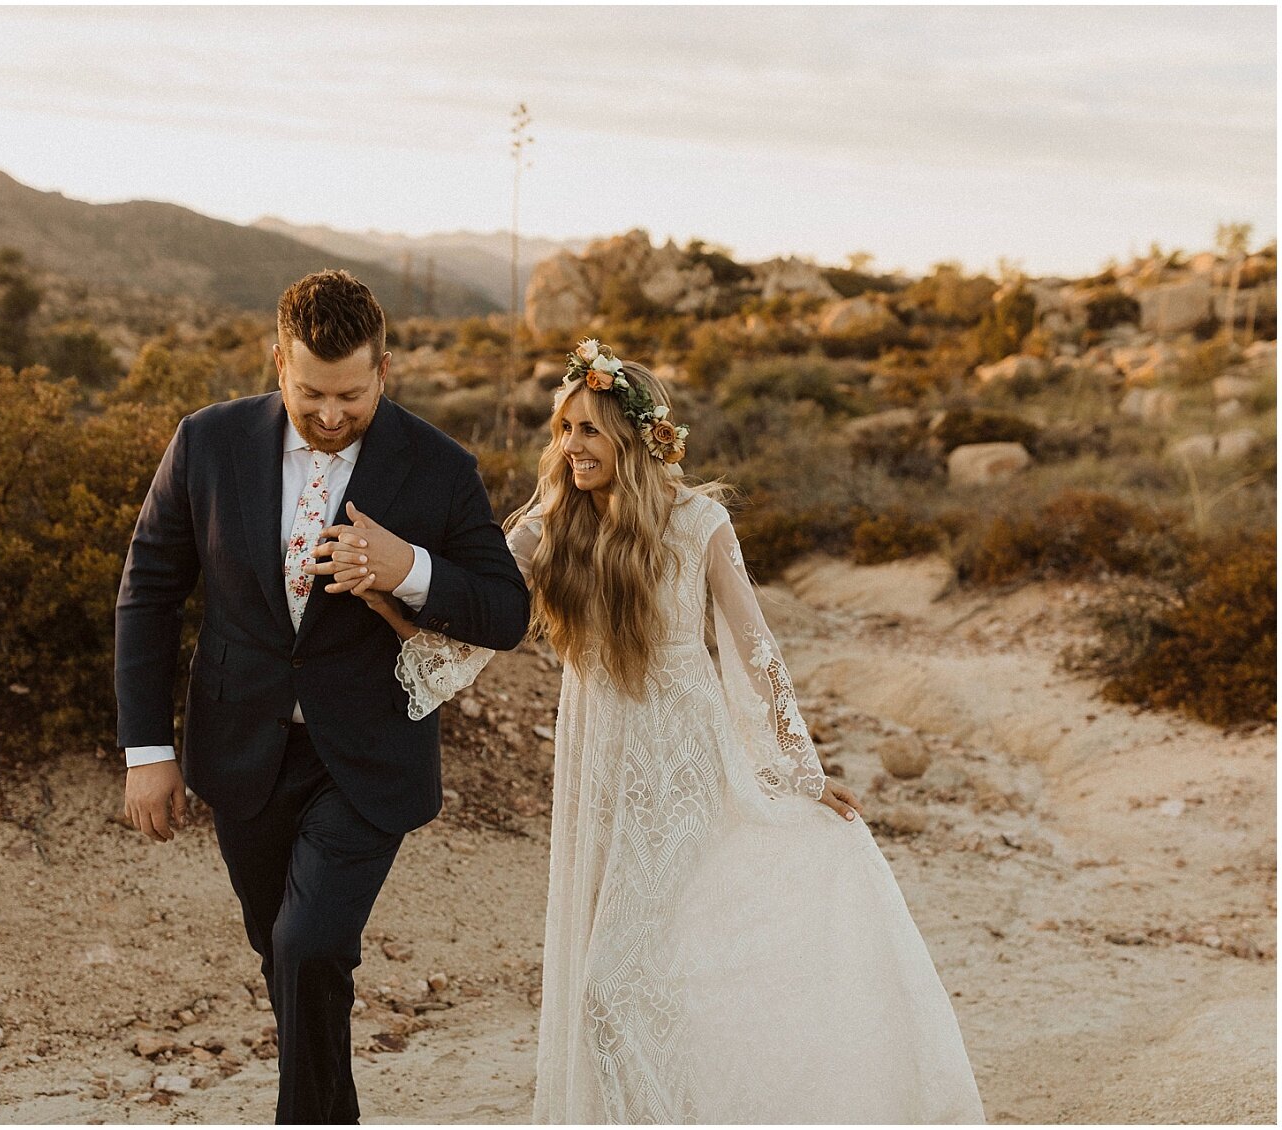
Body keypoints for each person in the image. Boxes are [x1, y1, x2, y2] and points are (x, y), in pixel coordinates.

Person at [345, 339, 987, 1123]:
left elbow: (754, 648)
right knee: (633, 974)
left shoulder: (697, 521)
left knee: (612, 983)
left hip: (682, 762)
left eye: (589, 430)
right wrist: (396, 613)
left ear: (635, 437)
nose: (571, 447)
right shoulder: (550, 523)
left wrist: (800, 771)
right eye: (564, 429)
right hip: (598, 761)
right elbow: (483, 619)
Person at [113, 269, 530, 1124]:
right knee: (285, 953)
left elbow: (507, 611)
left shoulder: (441, 468)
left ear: (384, 369)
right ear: (278, 363)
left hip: (368, 760)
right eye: (312, 393)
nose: (332, 414)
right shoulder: (207, 442)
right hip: (242, 752)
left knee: (309, 946)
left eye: (351, 393)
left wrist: (408, 569)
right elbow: (147, 591)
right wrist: (149, 752)